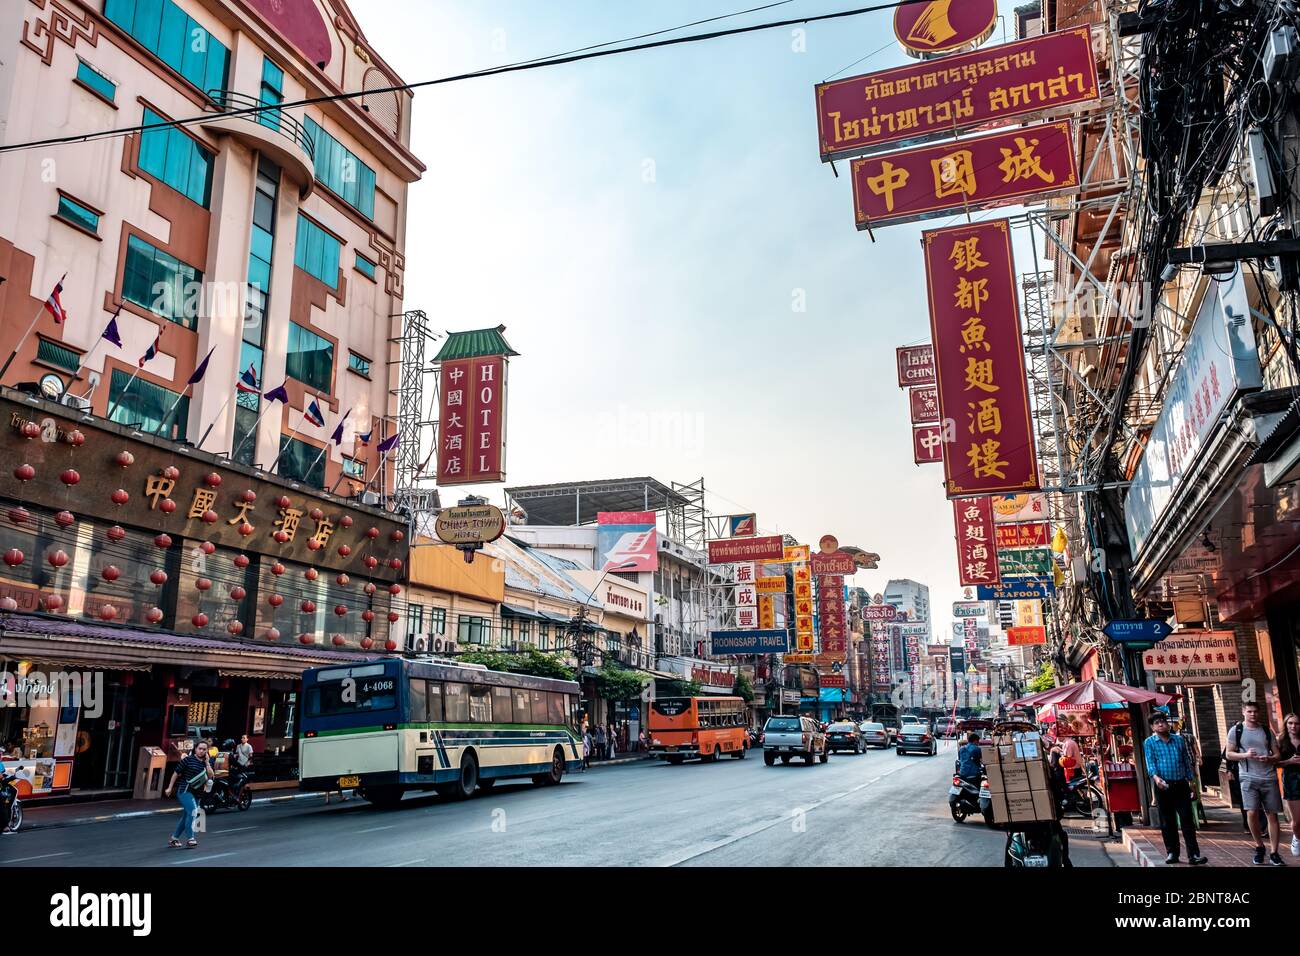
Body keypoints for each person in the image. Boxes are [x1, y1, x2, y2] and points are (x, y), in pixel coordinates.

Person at [1142, 711, 1207, 865]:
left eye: (1162, 721)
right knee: (1168, 822)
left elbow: (1186, 760)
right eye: (1156, 722)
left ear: (1167, 723)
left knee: (1187, 820)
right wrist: (1156, 779)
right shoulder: (1149, 742)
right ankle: (1172, 853)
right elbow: (1150, 763)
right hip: (1163, 787)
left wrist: (1191, 782)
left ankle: (1193, 855)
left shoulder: (1178, 740)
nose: (1160, 724)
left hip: (1181, 785)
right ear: (1152, 727)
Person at [1225, 701, 1285, 866]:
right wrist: (1245, 755)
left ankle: (1274, 852)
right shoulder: (1236, 731)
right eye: (1250, 711)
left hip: (1269, 777)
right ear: (1243, 712)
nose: (1253, 714)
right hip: (1247, 777)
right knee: (1251, 813)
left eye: (1255, 712)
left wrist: (1269, 758)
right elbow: (1229, 754)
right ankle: (1259, 846)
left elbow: (1277, 755)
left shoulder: (1266, 730)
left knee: (1272, 815)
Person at [164, 740, 211, 848]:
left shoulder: (207, 762)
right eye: (200, 748)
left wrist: (208, 762)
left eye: (204, 749)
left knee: (186, 816)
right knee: (193, 812)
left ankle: (174, 839)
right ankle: (191, 838)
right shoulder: (188, 760)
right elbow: (176, 773)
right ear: (195, 749)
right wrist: (170, 787)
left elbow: (210, 775)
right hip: (185, 790)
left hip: (198, 793)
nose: (202, 751)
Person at [1279, 713, 1300, 858]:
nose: (1294, 726)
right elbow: (1274, 763)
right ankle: (1297, 838)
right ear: (1286, 725)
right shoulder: (1280, 741)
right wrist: (1289, 762)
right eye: (1290, 723)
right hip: (1291, 781)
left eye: (1297, 723)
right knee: (1297, 820)